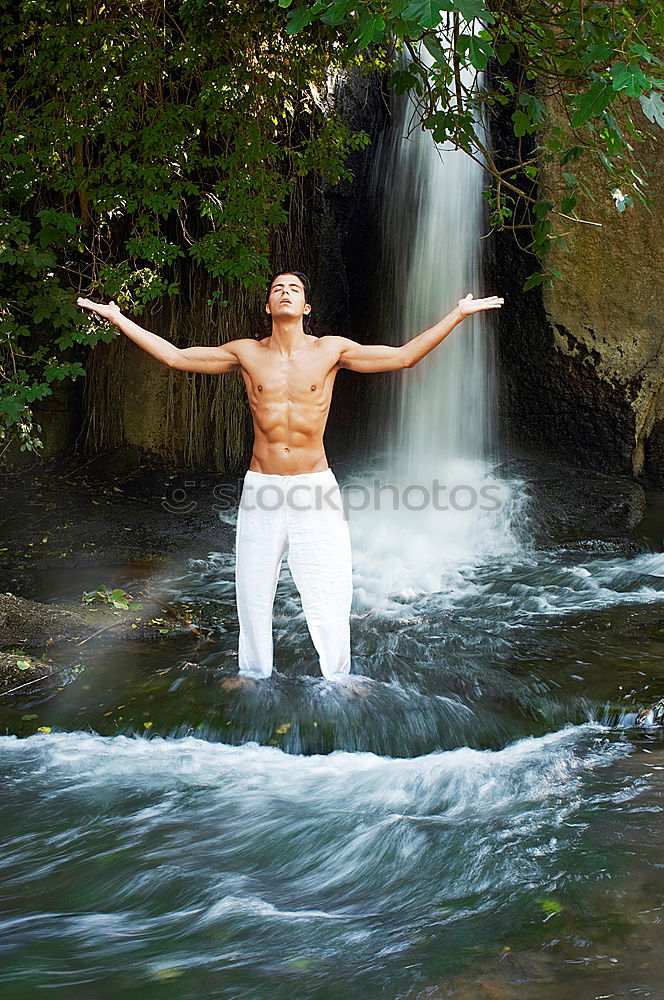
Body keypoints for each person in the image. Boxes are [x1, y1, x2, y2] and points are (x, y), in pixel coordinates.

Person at [77, 273, 503, 683]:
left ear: (305, 306)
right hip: (262, 487)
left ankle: (338, 678)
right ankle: (253, 674)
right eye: (277, 288)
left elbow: (403, 356)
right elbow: (176, 356)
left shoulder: (330, 350)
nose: (285, 292)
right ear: (268, 305)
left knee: (330, 584)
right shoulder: (246, 352)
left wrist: (458, 314)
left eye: (293, 288)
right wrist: (118, 318)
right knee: (253, 585)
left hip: (314, 486)